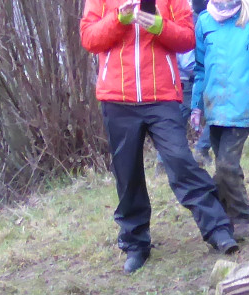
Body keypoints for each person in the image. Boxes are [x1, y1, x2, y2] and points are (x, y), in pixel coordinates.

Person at [81, 0, 240, 271]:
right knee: (127, 175)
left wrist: (158, 26)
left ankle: (218, 229)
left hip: (162, 97)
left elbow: (187, 39)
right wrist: (118, 20)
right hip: (117, 99)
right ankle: (135, 245)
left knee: (180, 161)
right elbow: (89, 38)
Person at [186, 0, 249, 240]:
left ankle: (243, 219)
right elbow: (200, 68)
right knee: (224, 167)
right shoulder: (204, 21)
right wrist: (196, 106)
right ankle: (224, 217)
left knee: (226, 165)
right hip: (214, 108)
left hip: (243, 108)